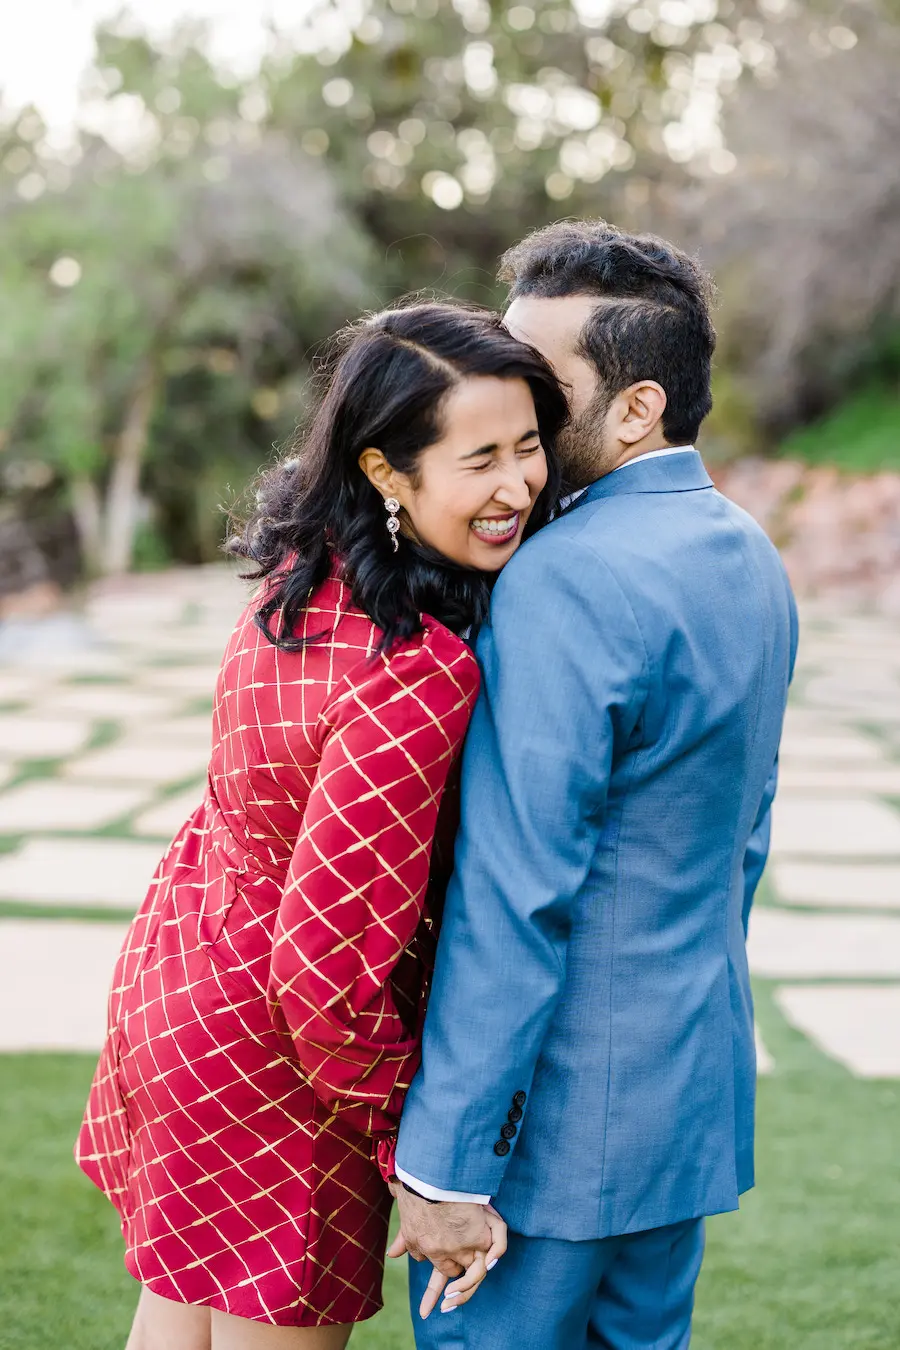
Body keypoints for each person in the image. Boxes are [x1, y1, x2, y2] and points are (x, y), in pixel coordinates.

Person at [75, 299, 568, 1350]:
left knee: (173, 1326)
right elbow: (323, 969)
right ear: (389, 473)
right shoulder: (418, 673)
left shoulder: (294, 594)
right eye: (478, 458)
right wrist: (417, 1162)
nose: (518, 484)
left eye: (529, 446)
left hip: (180, 1000)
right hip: (282, 1075)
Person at [392, 222, 799, 1348]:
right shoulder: (751, 557)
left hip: (551, 1137)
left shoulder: (560, 579)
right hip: (686, 1102)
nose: (504, 400)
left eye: (540, 380)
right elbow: (740, 842)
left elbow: (517, 892)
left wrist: (445, 1161)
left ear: (637, 406)